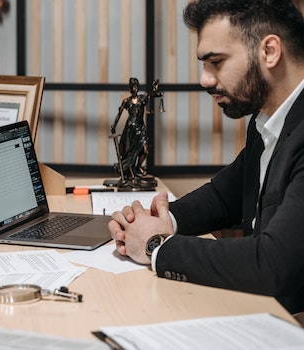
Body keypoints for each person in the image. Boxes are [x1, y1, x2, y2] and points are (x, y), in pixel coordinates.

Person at [108, 0, 304, 316]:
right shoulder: (267, 119)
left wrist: (156, 246)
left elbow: (273, 265)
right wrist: (160, 219)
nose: (205, 79)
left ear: (269, 51)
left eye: (216, 62)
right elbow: (223, 196)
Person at [110, 77, 162, 189]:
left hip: (140, 127)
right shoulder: (126, 101)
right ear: (130, 88)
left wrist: (155, 88)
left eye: (136, 86)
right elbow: (119, 114)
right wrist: (114, 125)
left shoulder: (142, 98)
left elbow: (154, 94)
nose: (135, 88)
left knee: (145, 150)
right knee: (130, 153)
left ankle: (138, 167)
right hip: (130, 129)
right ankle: (131, 173)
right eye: (132, 87)